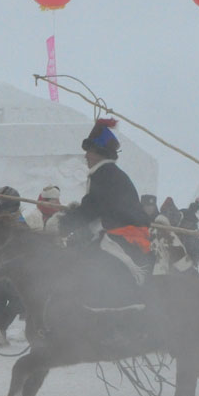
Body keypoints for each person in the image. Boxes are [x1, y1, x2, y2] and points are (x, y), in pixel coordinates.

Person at [59, 118, 153, 305]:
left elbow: (91, 208)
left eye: (89, 152)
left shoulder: (104, 174)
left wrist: (64, 224)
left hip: (123, 235)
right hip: (117, 228)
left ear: (99, 154)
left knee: (87, 264)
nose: (86, 156)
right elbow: (96, 208)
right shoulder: (108, 173)